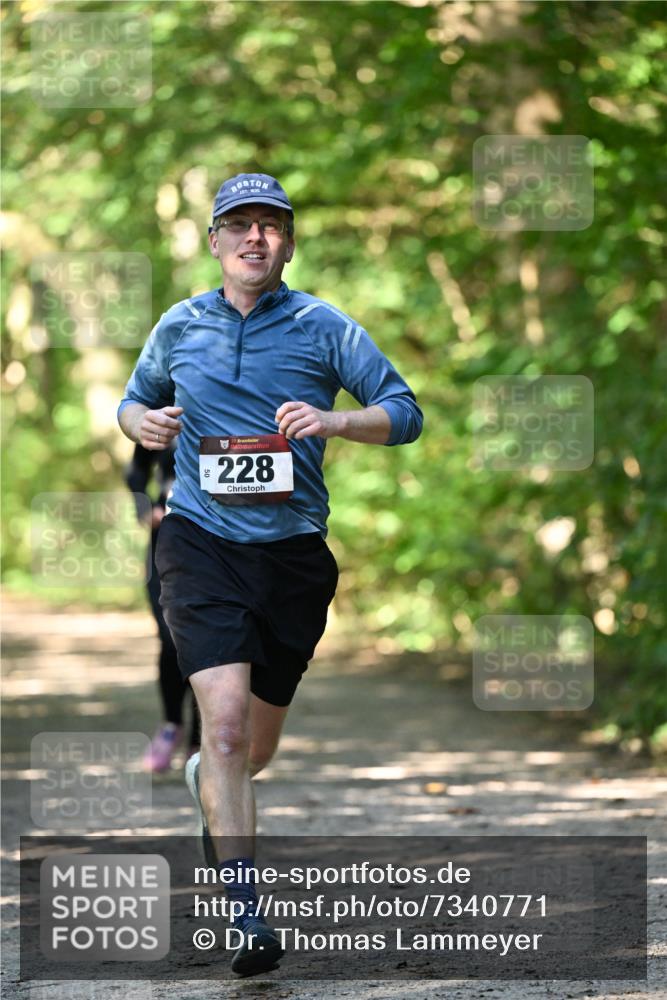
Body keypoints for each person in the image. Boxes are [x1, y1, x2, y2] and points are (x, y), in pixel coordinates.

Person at [117, 172, 423, 975]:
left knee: (250, 751)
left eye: (271, 225)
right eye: (239, 225)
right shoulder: (180, 325)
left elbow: (406, 411)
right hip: (199, 543)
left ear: (287, 241)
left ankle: (206, 780)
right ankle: (246, 912)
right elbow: (133, 402)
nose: (256, 237)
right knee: (217, 726)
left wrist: (336, 420)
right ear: (214, 240)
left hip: (292, 556)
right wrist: (139, 421)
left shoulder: (324, 326)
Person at [124, 442, 200, 771]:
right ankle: (171, 726)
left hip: (218, 539)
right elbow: (136, 471)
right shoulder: (162, 413)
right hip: (166, 540)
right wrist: (145, 510)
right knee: (171, 639)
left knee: (213, 641)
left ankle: (201, 740)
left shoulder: (229, 403)